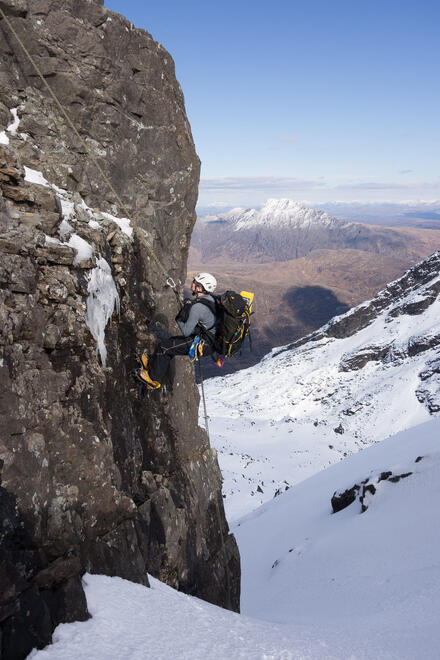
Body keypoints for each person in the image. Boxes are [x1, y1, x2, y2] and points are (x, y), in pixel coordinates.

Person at [136, 272, 218, 389]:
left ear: (200, 287)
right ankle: (152, 365)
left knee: (165, 347)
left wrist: (179, 318)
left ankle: (153, 380)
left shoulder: (197, 307)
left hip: (204, 343)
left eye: (194, 282)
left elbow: (186, 332)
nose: (192, 283)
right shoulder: (210, 299)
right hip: (208, 340)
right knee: (169, 343)